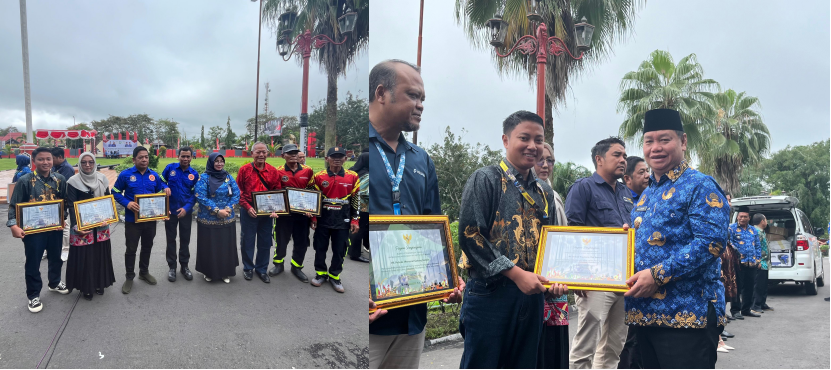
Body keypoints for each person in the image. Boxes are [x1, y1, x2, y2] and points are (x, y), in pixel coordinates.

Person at [368, 59, 464, 369]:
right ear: (382, 93)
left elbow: (432, 228)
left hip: (412, 316)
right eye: (413, 95)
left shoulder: (421, 160)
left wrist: (447, 278)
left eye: (422, 98)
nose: (420, 105)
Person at [457, 110, 566, 369]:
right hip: (490, 294)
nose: (533, 146)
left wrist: (558, 278)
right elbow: (470, 235)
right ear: (506, 140)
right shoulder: (486, 179)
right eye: (524, 138)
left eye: (538, 140)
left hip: (532, 296)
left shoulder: (544, 191)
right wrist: (516, 274)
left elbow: (549, 243)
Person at [624, 109, 728, 369]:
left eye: (664, 139)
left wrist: (657, 275)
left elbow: (710, 243)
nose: (655, 148)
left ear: (682, 142)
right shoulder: (646, 194)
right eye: (649, 141)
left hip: (686, 317)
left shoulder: (699, 185)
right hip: (643, 315)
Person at [566, 137, 633, 370]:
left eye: (624, 155)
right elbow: (572, 231)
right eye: (617, 155)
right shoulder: (583, 188)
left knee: (614, 345)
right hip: (594, 278)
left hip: (623, 278)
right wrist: (577, 275)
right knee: (586, 343)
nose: (623, 160)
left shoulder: (626, 193)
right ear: (599, 159)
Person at [7, 147, 71, 313]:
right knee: (33, 262)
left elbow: (65, 201)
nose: (45, 162)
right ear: (33, 161)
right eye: (41, 159)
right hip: (33, 231)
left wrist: (62, 218)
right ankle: (33, 295)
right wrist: (13, 225)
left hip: (55, 228)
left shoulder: (60, 179)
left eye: (48, 159)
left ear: (52, 160)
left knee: (56, 257)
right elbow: (14, 206)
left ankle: (55, 282)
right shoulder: (25, 181)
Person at [112, 146, 171, 294]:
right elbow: (115, 192)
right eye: (141, 157)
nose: (144, 159)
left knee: (147, 246)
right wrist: (127, 203)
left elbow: (158, 193)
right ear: (134, 159)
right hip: (133, 220)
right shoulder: (126, 175)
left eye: (146, 157)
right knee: (131, 249)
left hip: (151, 219)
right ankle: (129, 276)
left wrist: (163, 207)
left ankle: (144, 272)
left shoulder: (154, 176)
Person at [534, 142, 570, 369]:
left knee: (553, 350)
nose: (545, 165)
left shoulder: (553, 195)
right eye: (541, 159)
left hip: (556, 285)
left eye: (550, 160)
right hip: (531, 283)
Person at [65, 152, 116, 301]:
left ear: (95, 163)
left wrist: (109, 217)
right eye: (84, 162)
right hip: (82, 227)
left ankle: (100, 283)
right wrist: (76, 226)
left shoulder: (102, 179)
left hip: (101, 225)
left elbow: (107, 200)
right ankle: (86, 287)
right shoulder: (73, 182)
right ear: (79, 164)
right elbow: (71, 206)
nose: (87, 165)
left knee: (100, 254)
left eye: (91, 162)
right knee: (85, 256)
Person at [309, 146, 360, 293]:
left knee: (340, 250)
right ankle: (320, 274)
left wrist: (355, 220)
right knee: (320, 248)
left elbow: (356, 199)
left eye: (340, 156)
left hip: (342, 221)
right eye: (333, 156)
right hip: (323, 220)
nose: (337, 159)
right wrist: (313, 217)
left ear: (345, 159)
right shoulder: (319, 176)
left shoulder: (353, 176)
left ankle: (334, 276)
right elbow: (314, 199)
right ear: (327, 159)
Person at [619, 156, 648, 369]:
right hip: (625, 278)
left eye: (647, 171)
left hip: (648, 279)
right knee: (626, 339)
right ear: (627, 179)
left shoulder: (654, 197)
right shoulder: (623, 200)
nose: (647, 175)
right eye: (641, 172)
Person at [269, 144, 315, 283]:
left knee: (301, 241)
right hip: (284, 214)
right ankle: (278, 264)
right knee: (281, 240)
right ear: (283, 156)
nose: (294, 155)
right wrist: (274, 209)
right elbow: (274, 191)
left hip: (302, 215)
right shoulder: (278, 171)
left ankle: (297, 267)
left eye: (295, 153)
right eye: (290, 153)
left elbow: (312, 192)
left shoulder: (308, 171)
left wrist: (311, 211)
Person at [236, 142, 281, 283]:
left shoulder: (273, 171)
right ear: (252, 154)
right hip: (248, 210)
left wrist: (275, 209)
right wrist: (247, 207)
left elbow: (277, 192)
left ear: (268, 153)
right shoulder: (244, 170)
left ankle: (262, 269)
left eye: (264, 152)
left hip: (266, 213)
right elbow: (239, 191)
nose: (261, 155)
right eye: (258, 152)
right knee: (247, 240)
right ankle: (248, 268)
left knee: (265, 241)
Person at [194, 153, 240, 283]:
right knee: (210, 246)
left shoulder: (228, 177)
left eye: (221, 161)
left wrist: (228, 208)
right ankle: (209, 272)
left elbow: (236, 194)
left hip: (226, 217)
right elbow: (200, 196)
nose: (219, 163)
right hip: (208, 219)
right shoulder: (203, 178)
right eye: (216, 161)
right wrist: (216, 210)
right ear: (211, 162)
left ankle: (225, 272)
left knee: (225, 246)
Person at [160, 147, 199, 283]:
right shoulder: (170, 168)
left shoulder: (194, 174)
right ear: (178, 156)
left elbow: (195, 195)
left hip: (185, 212)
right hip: (170, 211)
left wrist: (187, 209)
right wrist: (164, 186)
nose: (185, 159)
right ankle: (172, 267)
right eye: (183, 156)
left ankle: (184, 266)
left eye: (188, 157)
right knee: (171, 239)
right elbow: (160, 180)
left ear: (191, 158)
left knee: (185, 240)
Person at [729, 207, 762, 318]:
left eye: (745, 217)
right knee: (737, 287)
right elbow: (730, 243)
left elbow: (757, 245)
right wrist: (737, 255)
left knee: (749, 287)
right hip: (738, 263)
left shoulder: (753, 230)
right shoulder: (731, 229)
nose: (742, 219)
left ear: (749, 218)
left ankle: (746, 309)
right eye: (741, 216)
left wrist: (758, 259)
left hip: (752, 263)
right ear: (737, 217)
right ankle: (735, 310)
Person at [52, 147, 75, 262]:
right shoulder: (55, 167)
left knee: (64, 225)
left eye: (52, 158)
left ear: (60, 157)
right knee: (51, 225)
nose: (50, 161)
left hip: (63, 202)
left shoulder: (67, 169)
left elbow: (63, 187)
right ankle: (48, 249)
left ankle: (66, 249)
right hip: (53, 202)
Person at [348, 147, 370, 263]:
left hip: (351, 204)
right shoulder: (367, 175)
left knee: (352, 228)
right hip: (364, 206)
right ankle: (355, 254)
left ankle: (350, 249)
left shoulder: (352, 172)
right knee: (359, 229)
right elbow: (366, 193)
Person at [751, 213, 773, 313]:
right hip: (760, 262)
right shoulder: (756, 232)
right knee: (758, 285)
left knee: (764, 285)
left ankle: (762, 303)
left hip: (765, 263)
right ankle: (755, 305)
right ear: (762, 221)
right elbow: (754, 248)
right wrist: (757, 261)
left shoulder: (761, 231)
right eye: (766, 219)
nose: (766, 221)